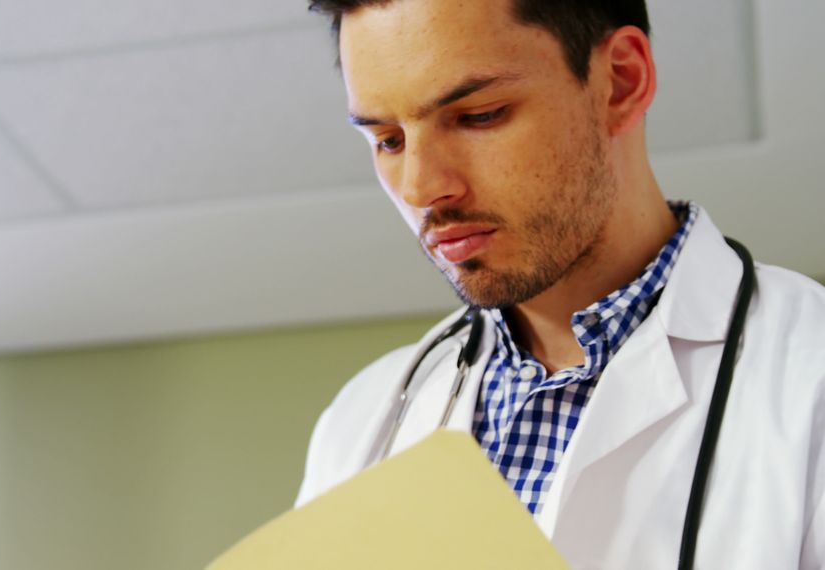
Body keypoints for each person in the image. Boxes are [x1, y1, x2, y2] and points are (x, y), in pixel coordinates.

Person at [295, 0, 825, 567]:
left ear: (621, 81)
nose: (422, 188)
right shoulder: (363, 419)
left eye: (479, 115)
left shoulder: (809, 373)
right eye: (388, 141)